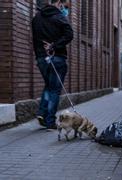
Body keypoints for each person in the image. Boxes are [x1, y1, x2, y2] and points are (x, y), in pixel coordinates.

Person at [32, 0, 73, 129]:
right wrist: (54, 46)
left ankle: (41, 113)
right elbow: (69, 35)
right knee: (55, 90)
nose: (65, 10)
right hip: (57, 58)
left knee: (49, 86)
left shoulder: (36, 18)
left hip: (41, 59)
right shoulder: (60, 17)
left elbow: (35, 39)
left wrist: (40, 55)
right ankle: (50, 121)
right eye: (65, 6)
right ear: (59, 3)